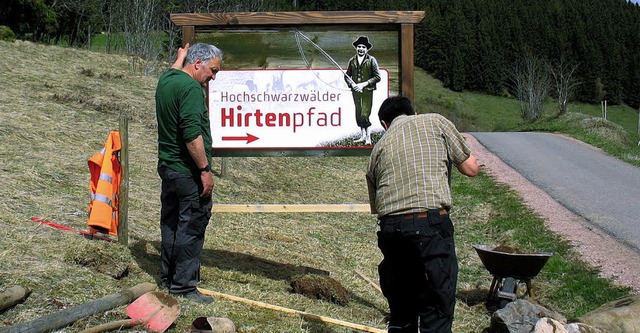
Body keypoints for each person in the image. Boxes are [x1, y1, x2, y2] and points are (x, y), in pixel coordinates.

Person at [366, 96, 479, 333]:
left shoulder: (378, 148)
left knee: (402, 308)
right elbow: (471, 169)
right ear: (413, 113)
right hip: (430, 226)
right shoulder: (436, 122)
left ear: (385, 124)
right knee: (437, 305)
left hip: (391, 230)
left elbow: (377, 206)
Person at [155, 42, 223, 303]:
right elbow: (192, 134)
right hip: (187, 171)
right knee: (191, 225)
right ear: (197, 64)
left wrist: (179, 57)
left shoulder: (167, 80)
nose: (213, 77)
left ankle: (168, 277)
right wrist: (205, 170)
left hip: (168, 168)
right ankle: (183, 287)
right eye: (212, 70)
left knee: (171, 223)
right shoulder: (192, 89)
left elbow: (174, 68)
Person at [344, 35, 381, 145]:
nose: (361, 49)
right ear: (356, 48)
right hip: (355, 91)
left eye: (363, 47)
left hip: (367, 91)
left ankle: (368, 138)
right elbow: (347, 76)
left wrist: (363, 84)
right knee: (358, 113)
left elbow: (377, 77)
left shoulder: (371, 60)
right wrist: (352, 84)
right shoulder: (352, 61)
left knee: (365, 113)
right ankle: (362, 136)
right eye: (359, 46)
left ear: (367, 49)